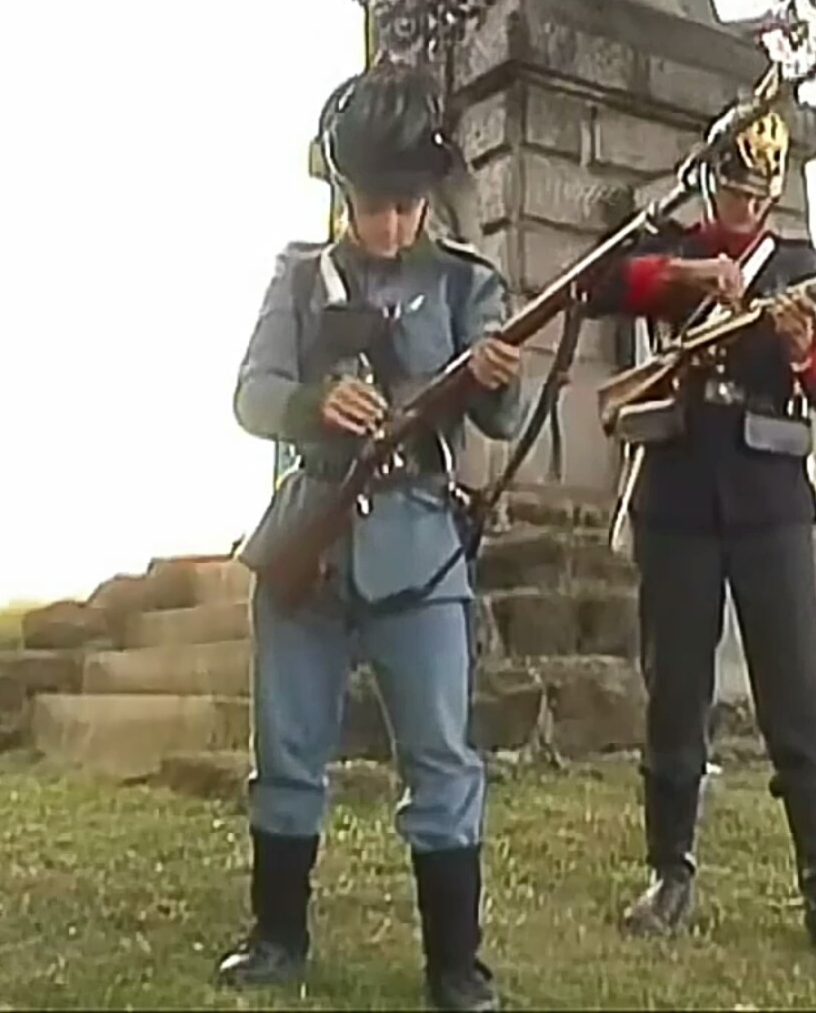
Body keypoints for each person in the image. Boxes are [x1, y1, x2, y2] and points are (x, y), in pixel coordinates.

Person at [219, 60, 523, 1012]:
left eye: (404, 203)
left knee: (440, 756)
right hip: (310, 536)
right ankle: (277, 937)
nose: (389, 223)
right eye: (371, 203)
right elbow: (251, 395)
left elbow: (505, 425)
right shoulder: (298, 279)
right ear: (340, 190)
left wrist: (494, 378)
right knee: (289, 749)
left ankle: (453, 967)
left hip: (420, 543)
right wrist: (316, 402)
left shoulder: (471, 284)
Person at [584, 106, 816, 961]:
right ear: (712, 182)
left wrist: (798, 346)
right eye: (734, 188)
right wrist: (689, 276)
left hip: (769, 496)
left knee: (799, 695)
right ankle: (670, 871)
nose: (745, 206)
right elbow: (607, 284)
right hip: (676, 492)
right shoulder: (671, 248)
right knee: (675, 689)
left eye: (757, 192)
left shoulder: (796, 267)